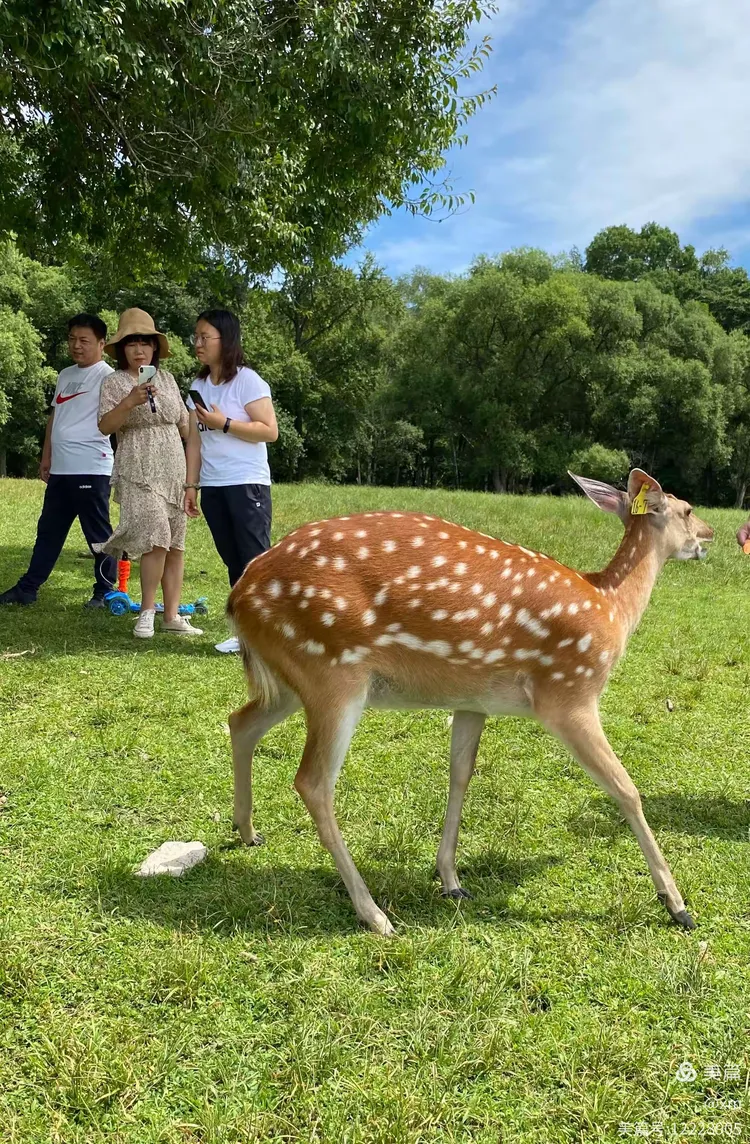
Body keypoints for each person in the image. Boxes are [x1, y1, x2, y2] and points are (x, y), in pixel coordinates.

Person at [95, 308, 202, 639]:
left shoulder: (167, 380)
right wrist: (129, 401)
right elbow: (105, 426)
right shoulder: (114, 382)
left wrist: (195, 472)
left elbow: (184, 427)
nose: (139, 350)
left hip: (173, 469)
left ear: (155, 347)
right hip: (137, 468)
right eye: (131, 343)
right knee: (156, 537)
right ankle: (145, 612)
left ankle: (171, 615)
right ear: (122, 349)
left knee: (175, 543)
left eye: (144, 343)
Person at [0, 313, 117, 609]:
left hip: (91, 467)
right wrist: (46, 455)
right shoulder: (65, 375)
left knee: (98, 535)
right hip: (61, 468)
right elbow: (56, 415)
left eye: (84, 340)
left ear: (101, 343)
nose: (76, 345)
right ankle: (28, 588)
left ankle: (105, 592)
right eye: (72, 339)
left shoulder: (108, 377)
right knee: (48, 531)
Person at [184, 309, 278, 653]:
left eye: (205, 337)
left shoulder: (247, 381)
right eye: (196, 336)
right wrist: (191, 485)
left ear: (226, 340)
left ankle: (268, 635)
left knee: (254, 561)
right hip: (213, 485)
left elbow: (269, 431)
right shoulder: (197, 387)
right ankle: (245, 633)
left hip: (247, 483)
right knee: (232, 561)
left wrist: (224, 423)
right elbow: (195, 441)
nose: (198, 343)